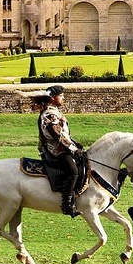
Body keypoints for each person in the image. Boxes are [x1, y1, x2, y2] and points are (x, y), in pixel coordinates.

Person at [35, 86, 82, 217]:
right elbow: (57, 136)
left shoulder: (53, 112)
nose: (63, 98)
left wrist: (75, 144)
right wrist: (73, 148)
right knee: (73, 171)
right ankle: (66, 204)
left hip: (62, 149)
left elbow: (64, 134)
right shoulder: (50, 114)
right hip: (55, 152)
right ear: (53, 98)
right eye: (61, 96)